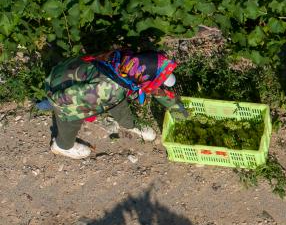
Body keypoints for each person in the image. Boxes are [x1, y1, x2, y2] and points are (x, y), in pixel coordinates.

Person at [45, 50, 185, 159]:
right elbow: (69, 102)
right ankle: (63, 146)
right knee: (71, 121)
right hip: (62, 92)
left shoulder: (129, 64)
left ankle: (129, 124)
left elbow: (155, 89)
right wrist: (59, 105)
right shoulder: (109, 89)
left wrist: (177, 107)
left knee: (117, 101)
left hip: (78, 74)